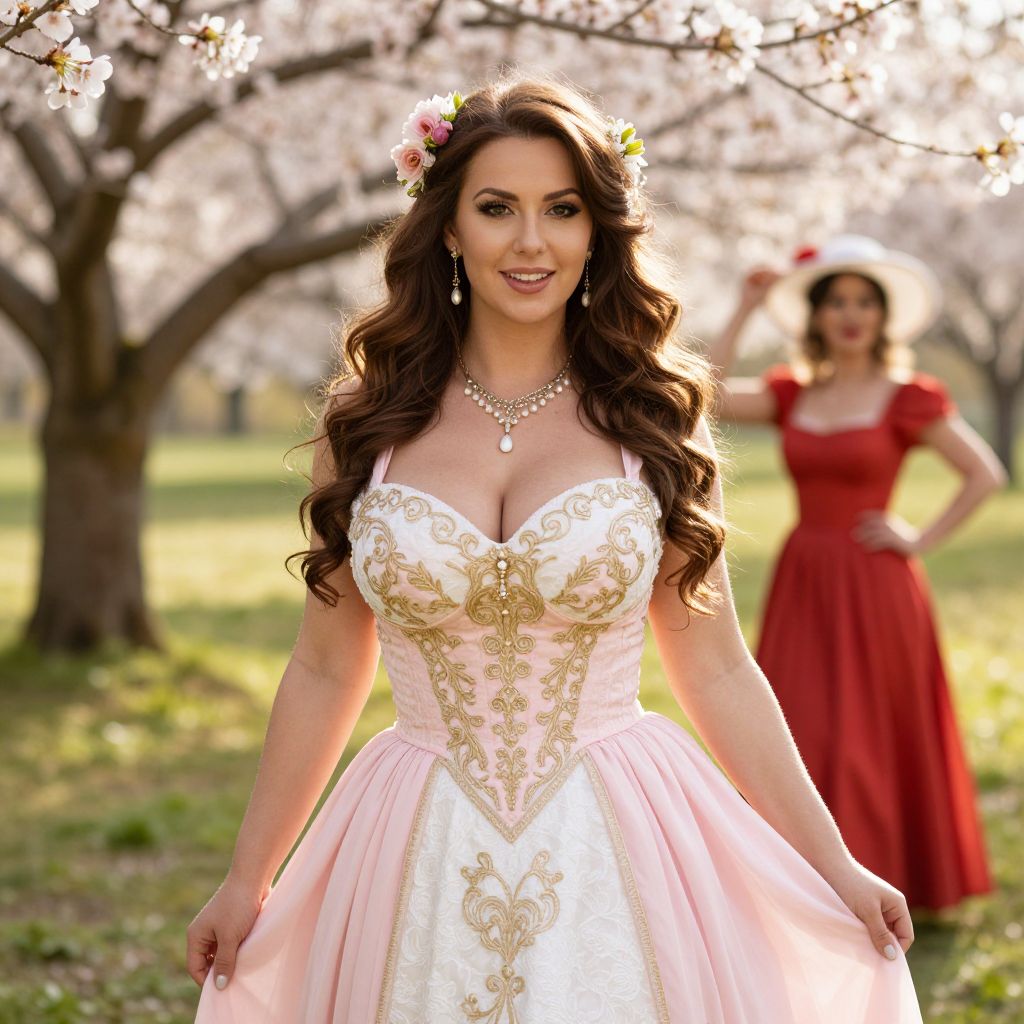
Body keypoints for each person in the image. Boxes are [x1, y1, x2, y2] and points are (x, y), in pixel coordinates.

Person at [188, 79, 924, 1023]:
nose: (531, 242)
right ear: (448, 228)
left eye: (562, 210)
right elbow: (326, 667)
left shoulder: (653, 418)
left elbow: (716, 663)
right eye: (497, 209)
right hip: (415, 829)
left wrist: (834, 863)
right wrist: (249, 879)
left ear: (597, 231)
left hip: (617, 830)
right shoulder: (365, 423)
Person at [708, 235, 1005, 913]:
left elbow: (984, 472)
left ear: (881, 316)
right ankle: (807, 878)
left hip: (878, 583)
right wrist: (745, 307)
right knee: (802, 722)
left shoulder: (909, 397)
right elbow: (708, 398)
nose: (849, 315)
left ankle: (896, 878)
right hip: (805, 577)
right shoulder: (792, 393)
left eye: (863, 303)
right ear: (815, 316)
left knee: (875, 729)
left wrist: (919, 536)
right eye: (836, 301)